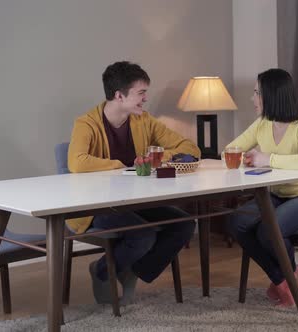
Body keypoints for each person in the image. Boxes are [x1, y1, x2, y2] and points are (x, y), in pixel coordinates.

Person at [67, 61, 200, 305]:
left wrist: (160, 156)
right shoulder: (86, 124)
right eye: (141, 93)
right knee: (143, 235)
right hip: (95, 206)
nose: (145, 99)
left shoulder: (143, 121)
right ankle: (101, 271)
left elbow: (190, 148)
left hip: (135, 201)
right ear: (119, 95)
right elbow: (77, 162)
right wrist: (120, 164)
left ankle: (132, 270)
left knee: (183, 225)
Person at [225, 68, 298, 307]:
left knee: (267, 230)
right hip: (279, 195)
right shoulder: (263, 123)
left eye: (256, 93)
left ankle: (285, 282)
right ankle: (284, 278)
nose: (252, 99)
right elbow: (231, 149)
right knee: (236, 222)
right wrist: (245, 158)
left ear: (271, 96)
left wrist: (268, 159)